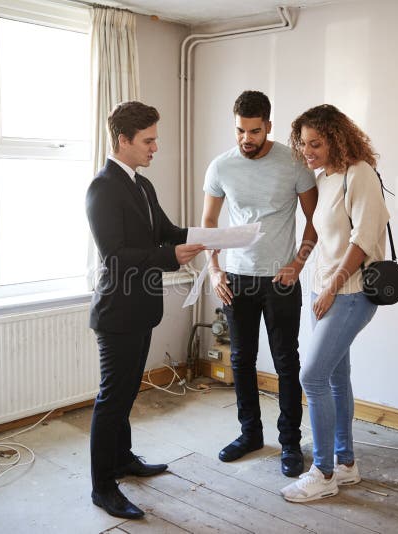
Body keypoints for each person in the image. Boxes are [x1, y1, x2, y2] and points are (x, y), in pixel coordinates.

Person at [85, 101, 205, 519]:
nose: (156, 147)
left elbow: (167, 232)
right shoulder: (102, 188)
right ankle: (103, 486)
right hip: (117, 312)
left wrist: (212, 236)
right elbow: (116, 257)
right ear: (124, 140)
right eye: (149, 140)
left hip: (141, 310)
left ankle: (123, 460)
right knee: (112, 399)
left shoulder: (142, 184)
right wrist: (171, 257)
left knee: (127, 393)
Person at [201, 90, 318, 477]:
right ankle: (250, 434)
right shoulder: (221, 167)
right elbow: (208, 225)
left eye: (254, 131)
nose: (246, 139)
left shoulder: (294, 162)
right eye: (240, 131)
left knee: (287, 362)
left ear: (268, 125)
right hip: (236, 277)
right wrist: (215, 271)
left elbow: (316, 221)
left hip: (280, 280)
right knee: (241, 359)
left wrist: (298, 265)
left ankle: (289, 444)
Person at [280, 104, 389, 502]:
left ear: (336, 139)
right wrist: (299, 265)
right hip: (322, 291)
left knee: (312, 377)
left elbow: (364, 238)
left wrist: (331, 288)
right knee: (336, 378)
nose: (307, 151)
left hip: (351, 294)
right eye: (304, 144)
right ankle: (346, 463)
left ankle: (323, 472)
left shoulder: (359, 174)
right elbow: (319, 232)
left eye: (317, 144)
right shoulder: (325, 177)